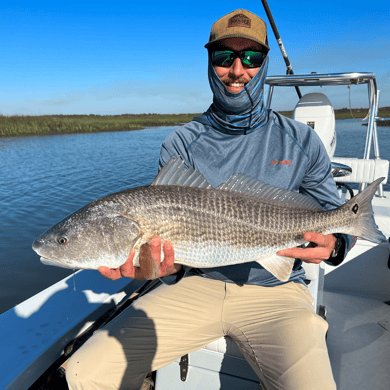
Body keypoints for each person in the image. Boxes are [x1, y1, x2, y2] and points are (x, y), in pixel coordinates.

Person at [66, 9, 355, 390]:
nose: (238, 70)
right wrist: (159, 268)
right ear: (210, 62)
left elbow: (335, 218)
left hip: (276, 289)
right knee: (84, 373)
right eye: (224, 57)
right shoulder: (181, 143)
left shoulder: (302, 140)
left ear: (264, 63)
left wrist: (336, 246)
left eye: (251, 57)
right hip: (196, 285)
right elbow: (175, 258)